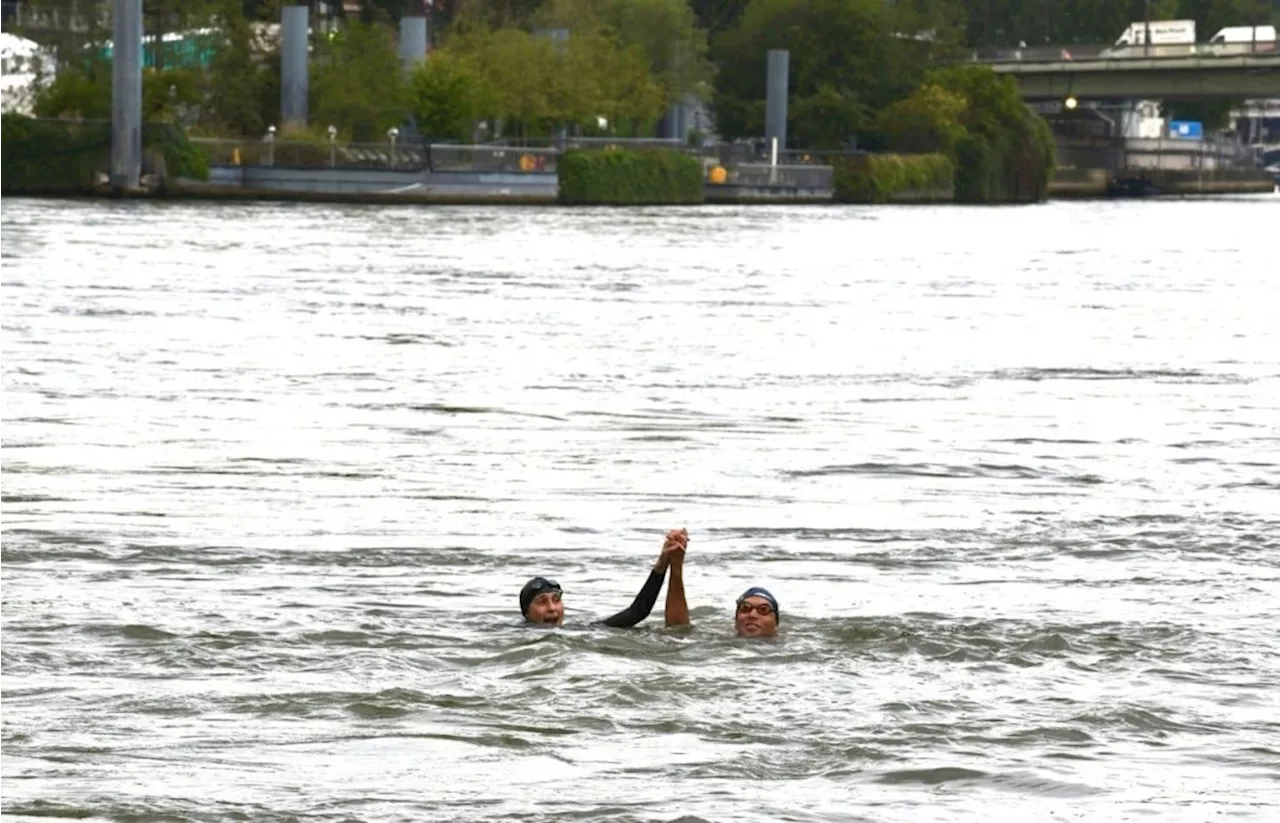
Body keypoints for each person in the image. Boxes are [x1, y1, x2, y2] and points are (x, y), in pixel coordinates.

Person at [518, 529, 687, 628]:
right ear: (526, 613)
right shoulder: (514, 635)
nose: (551, 608)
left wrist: (663, 562)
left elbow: (638, 612)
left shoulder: (583, 630)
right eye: (542, 601)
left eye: (556, 600)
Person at [661, 531, 780, 638]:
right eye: (745, 608)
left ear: (776, 624)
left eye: (763, 610)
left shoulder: (788, 645)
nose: (752, 615)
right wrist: (676, 566)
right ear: (735, 621)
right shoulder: (719, 640)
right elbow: (678, 630)